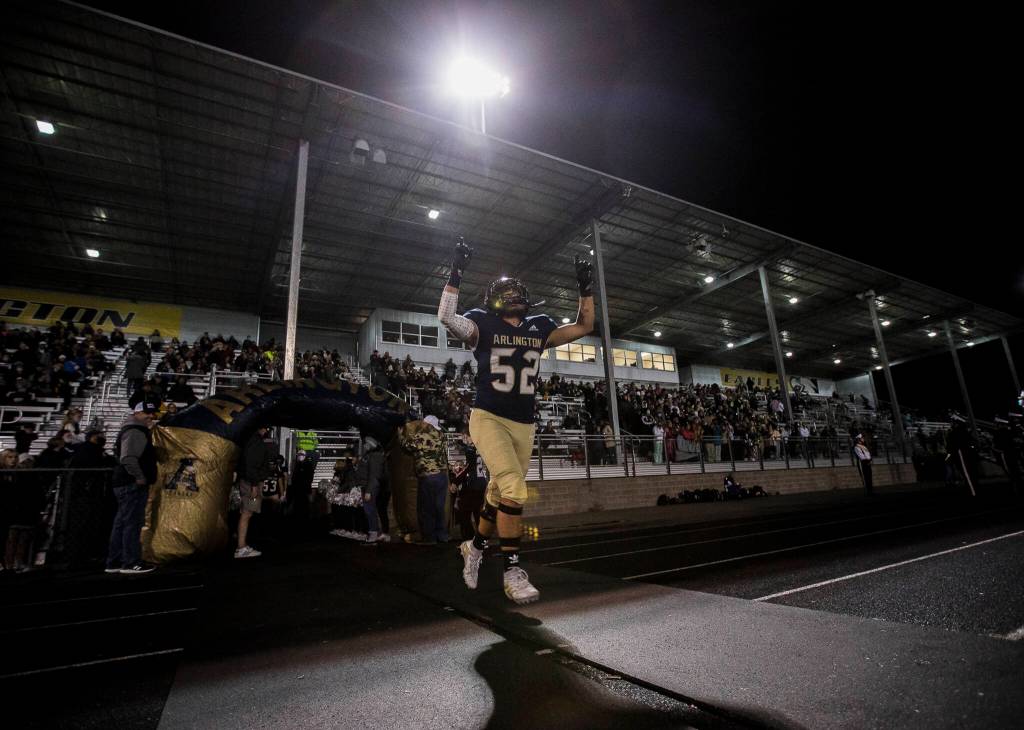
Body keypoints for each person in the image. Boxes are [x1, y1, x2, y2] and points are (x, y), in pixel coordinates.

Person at [438, 236, 594, 604]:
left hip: (524, 423)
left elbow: (584, 325)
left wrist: (584, 287)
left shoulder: (538, 326)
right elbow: (446, 317)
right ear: (494, 298)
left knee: (498, 492)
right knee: (515, 490)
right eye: (506, 291)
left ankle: (474, 547)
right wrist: (456, 272)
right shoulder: (482, 324)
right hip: (488, 417)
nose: (513, 296)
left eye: (516, 291)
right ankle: (512, 568)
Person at [105, 403, 158, 574]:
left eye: (152, 413)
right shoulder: (135, 430)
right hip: (131, 483)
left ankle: (115, 561)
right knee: (132, 523)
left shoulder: (132, 428)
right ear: (137, 413)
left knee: (121, 522)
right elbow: (128, 458)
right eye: (147, 413)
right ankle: (130, 562)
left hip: (124, 482)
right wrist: (140, 477)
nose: (151, 416)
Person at [399, 415, 450, 544]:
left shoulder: (421, 436)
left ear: (426, 424)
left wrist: (400, 435)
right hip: (442, 476)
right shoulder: (441, 435)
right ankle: (442, 536)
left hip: (428, 476)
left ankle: (429, 538)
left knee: (427, 508)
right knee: (439, 507)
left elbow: (407, 447)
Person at [235, 426, 274, 558]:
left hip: (249, 481)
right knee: (246, 513)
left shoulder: (249, 440)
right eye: (267, 428)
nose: (267, 431)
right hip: (251, 482)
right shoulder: (255, 442)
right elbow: (252, 465)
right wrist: (254, 485)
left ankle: (242, 545)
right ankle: (241, 548)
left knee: (246, 513)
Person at [354, 436, 389, 544]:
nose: (364, 446)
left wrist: (369, 491)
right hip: (367, 486)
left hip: (370, 487)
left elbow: (374, 475)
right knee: (369, 510)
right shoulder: (369, 455)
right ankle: (375, 532)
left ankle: (374, 533)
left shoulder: (375, 456)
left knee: (370, 511)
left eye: (366, 444)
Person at [454, 432, 488, 541]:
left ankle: (471, 538)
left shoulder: (471, 450)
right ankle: (481, 538)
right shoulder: (480, 447)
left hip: (473, 484)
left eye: (466, 437)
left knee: (465, 512)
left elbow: (469, 466)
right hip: (481, 483)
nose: (464, 439)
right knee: (478, 513)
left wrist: (456, 481)